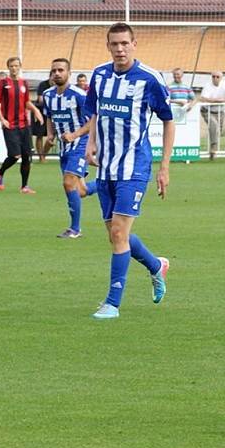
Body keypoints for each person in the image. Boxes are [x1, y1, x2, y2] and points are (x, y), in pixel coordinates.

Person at [68, 22, 175, 320]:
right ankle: (156, 265)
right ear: (108, 45)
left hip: (135, 167)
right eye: (114, 44)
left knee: (118, 233)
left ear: (134, 44)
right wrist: (90, 144)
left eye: (125, 43)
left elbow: (168, 120)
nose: (120, 49)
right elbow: (96, 112)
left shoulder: (149, 79)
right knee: (117, 236)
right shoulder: (100, 75)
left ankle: (112, 303)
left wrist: (164, 167)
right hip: (106, 168)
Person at [43, 58, 97, 239]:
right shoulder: (48, 95)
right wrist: (50, 134)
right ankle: (108, 182)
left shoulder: (79, 95)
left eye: (61, 70)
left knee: (68, 183)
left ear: (69, 73)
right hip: (63, 147)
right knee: (79, 191)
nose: (57, 73)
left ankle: (75, 229)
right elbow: (49, 116)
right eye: (54, 71)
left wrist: (75, 135)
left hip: (79, 144)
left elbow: (92, 120)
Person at [0, 57, 44, 194]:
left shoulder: (24, 83)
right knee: (15, 155)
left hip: (24, 124)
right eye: (11, 66)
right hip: (10, 124)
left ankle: (24, 187)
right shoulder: (3, 83)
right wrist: (2, 119)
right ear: (8, 67)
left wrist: (36, 110)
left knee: (27, 156)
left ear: (20, 67)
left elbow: (26, 101)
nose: (14, 68)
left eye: (16, 66)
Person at [199, 71, 225, 160]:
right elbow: (203, 98)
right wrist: (218, 101)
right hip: (207, 110)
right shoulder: (207, 85)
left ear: (221, 78)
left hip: (220, 111)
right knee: (214, 126)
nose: (215, 78)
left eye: (217, 77)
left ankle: (213, 148)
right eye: (213, 76)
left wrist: (213, 100)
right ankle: (213, 149)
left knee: (218, 131)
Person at [32, 71, 54, 162]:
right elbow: (41, 100)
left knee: (51, 136)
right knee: (39, 135)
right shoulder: (43, 85)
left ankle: (44, 155)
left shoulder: (58, 86)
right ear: (50, 77)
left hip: (53, 113)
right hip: (41, 112)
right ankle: (41, 157)